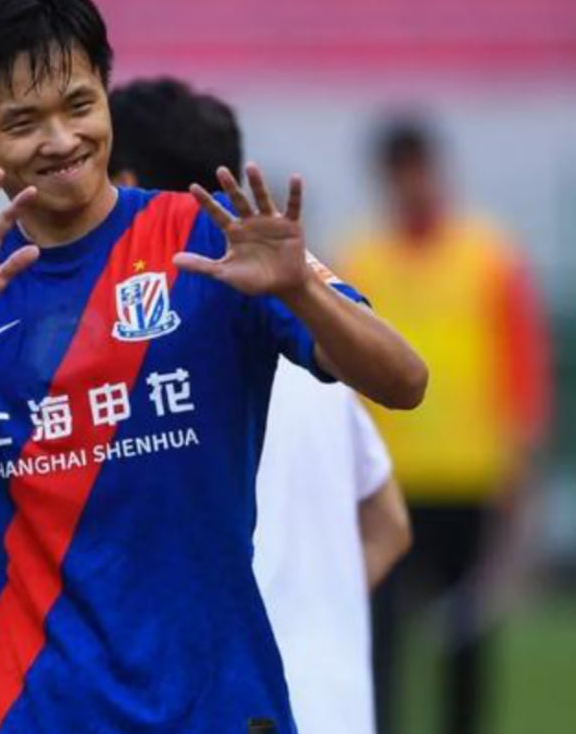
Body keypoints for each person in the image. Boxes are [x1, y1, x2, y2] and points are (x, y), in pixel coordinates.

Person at [0, 0, 428, 733]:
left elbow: (405, 381)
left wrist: (303, 291)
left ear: (106, 84)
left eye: (80, 104)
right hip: (40, 712)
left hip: (218, 710)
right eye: (23, 122)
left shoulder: (206, 240)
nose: (63, 140)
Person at [108, 77, 412, 734]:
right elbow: (390, 524)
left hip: (230, 707)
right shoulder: (320, 350)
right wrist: (320, 619)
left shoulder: (163, 366)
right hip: (334, 708)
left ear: (126, 181)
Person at [341, 117, 551, 734]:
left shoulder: (490, 256)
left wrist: (521, 463)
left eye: (420, 170)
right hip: (390, 479)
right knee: (379, 642)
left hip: (470, 477)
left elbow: (522, 365)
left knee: (466, 646)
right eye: (400, 173)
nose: (413, 185)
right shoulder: (360, 256)